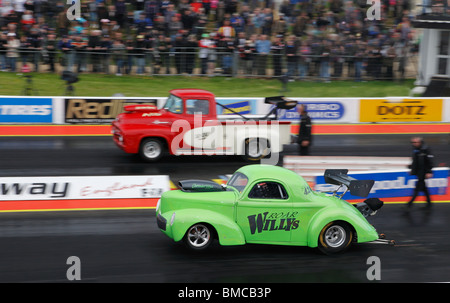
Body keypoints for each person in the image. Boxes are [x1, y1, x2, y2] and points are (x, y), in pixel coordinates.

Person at [407, 137, 434, 209]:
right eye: (413, 143)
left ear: (420, 142)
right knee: (424, 189)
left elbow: (430, 162)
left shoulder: (425, 150)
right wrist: (411, 169)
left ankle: (409, 205)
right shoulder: (415, 150)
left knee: (417, 189)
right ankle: (429, 203)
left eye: (415, 142)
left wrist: (429, 172)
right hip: (419, 172)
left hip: (423, 172)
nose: (414, 144)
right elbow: (415, 162)